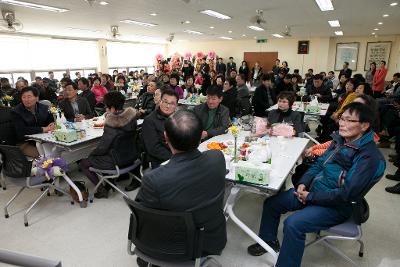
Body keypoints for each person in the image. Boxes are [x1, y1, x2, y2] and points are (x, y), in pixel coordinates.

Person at [248, 102, 385, 267]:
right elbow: (319, 164)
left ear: (364, 125)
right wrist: (304, 183)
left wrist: (311, 197)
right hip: (314, 192)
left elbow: (347, 193)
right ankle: (268, 241)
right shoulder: (340, 140)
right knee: (272, 203)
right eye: (342, 118)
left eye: (349, 120)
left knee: (293, 224)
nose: (342, 123)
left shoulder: (368, 157)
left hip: (336, 205)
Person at [135, 110, 227, 267]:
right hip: (210, 240)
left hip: (172, 247)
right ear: (200, 137)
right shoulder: (217, 158)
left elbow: (142, 213)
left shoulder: (155, 178)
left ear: (166, 137)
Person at [79, 91, 138, 199]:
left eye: (106, 106)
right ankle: (109, 184)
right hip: (131, 156)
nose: (105, 109)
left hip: (117, 160)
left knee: (84, 162)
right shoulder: (132, 117)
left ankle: (103, 189)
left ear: (112, 108)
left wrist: (91, 152)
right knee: (105, 154)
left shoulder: (111, 124)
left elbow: (103, 148)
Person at [11, 87, 55, 158]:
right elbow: (21, 131)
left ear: (36, 97)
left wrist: (52, 123)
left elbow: (50, 121)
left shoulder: (44, 107)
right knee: (45, 156)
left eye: (29, 97)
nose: (26, 100)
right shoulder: (16, 112)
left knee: (57, 151)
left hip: (44, 139)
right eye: (24, 97)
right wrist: (43, 129)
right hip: (25, 143)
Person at [142, 89, 178, 168]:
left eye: (172, 103)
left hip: (179, 156)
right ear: (160, 101)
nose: (168, 106)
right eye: (165, 102)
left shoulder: (178, 118)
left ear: (176, 106)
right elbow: (154, 149)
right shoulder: (149, 121)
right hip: (161, 160)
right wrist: (176, 158)